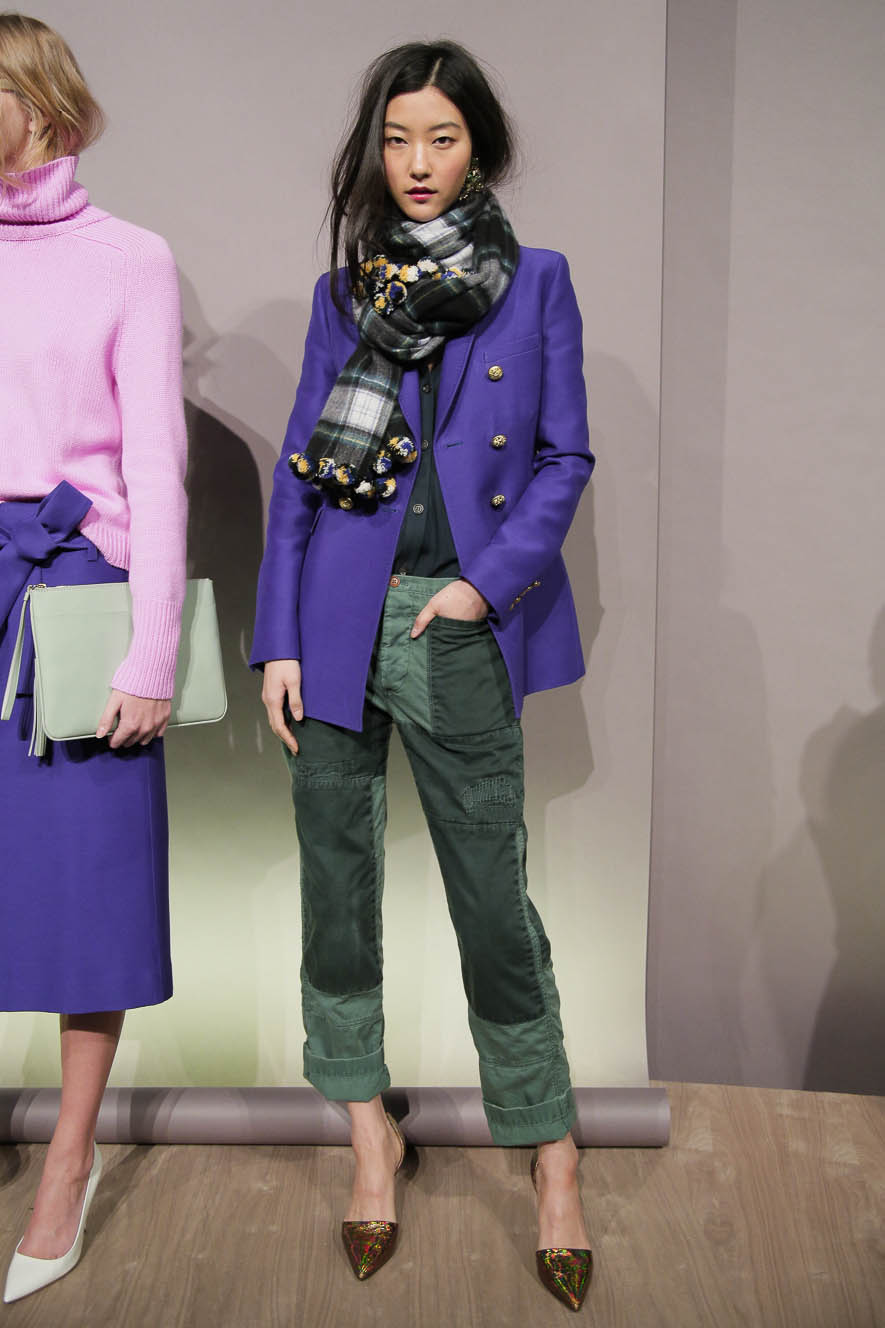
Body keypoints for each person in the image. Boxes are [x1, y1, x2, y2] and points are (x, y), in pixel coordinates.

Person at [253, 39, 594, 1311]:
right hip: (336, 626)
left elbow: (562, 457)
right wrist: (280, 637)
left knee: (491, 899)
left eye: (440, 138)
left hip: (453, 623)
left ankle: (551, 1150)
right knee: (337, 893)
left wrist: (480, 588)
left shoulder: (536, 281)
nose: (416, 162)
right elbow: (304, 468)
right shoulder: (344, 293)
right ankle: (369, 1138)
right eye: (397, 139)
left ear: (478, 147)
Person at [0, 13, 187, 1303]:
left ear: (39, 102)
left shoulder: (131, 258)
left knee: (89, 892)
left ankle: (68, 1162)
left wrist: (153, 647)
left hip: (74, 589)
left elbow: (158, 468)